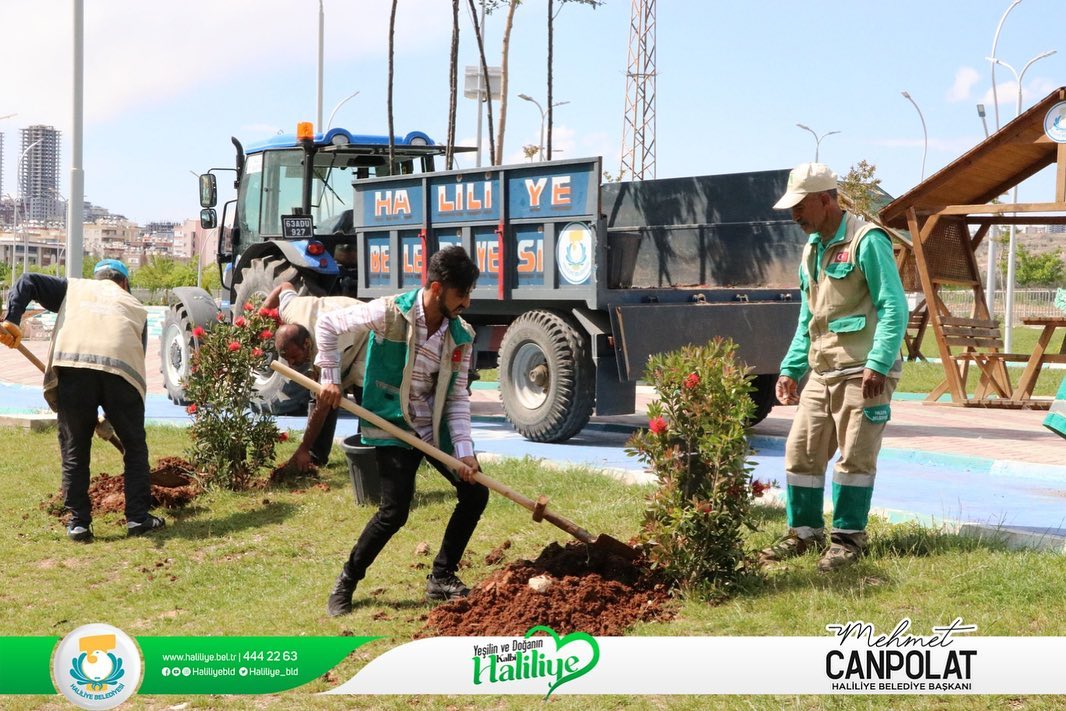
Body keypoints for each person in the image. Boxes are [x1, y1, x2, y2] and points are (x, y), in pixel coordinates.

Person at [314, 245, 487, 615]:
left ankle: (441, 577)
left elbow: (456, 397)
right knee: (394, 512)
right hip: (392, 422)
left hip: (432, 425)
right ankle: (346, 580)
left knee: (475, 493)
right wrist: (330, 378)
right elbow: (328, 325)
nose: (467, 303)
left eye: (470, 293)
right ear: (438, 288)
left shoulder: (461, 336)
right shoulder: (390, 312)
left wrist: (464, 450)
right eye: (462, 294)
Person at [760, 163, 907, 572]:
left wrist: (878, 363)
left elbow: (893, 306)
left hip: (864, 371)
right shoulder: (812, 249)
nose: (794, 215)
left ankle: (848, 540)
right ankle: (803, 534)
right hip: (823, 373)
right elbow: (810, 316)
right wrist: (790, 368)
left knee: (854, 460)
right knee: (801, 453)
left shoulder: (867, 240)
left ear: (824, 199)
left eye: (800, 206)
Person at [0, 260, 165, 542]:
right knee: (135, 447)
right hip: (120, 373)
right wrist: (113, 420)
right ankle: (138, 519)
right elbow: (134, 362)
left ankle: (79, 524)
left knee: (75, 446)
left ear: (97, 278)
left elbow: (27, 280)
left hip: (73, 368)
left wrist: (11, 320)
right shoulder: (135, 307)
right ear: (124, 283)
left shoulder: (74, 289)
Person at [263, 282, 368, 473]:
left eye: (294, 357)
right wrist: (261, 312)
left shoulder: (324, 346)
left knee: (361, 396)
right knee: (322, 391)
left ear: (307, 343)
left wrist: (301, 448)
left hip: (365, 334)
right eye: (286, 359)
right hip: (340, 327)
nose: (292, 365)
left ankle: (367, 454)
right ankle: (315, 456)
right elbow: (285, 285)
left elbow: (323, 404)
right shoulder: (289, 309)